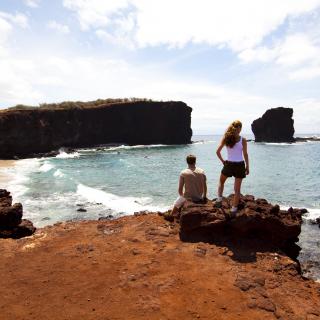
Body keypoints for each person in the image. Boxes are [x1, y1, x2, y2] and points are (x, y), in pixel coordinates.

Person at [215, 120, 249, 216]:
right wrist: (247, 167)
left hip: (229, 164)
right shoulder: (243, 140)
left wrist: (223, 162)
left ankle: (219, 200)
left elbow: (217, 152)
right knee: (237, 190)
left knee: (221, 182)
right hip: (240, 165)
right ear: (240, 128)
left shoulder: (227, 138)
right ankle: (234, 209)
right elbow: (245, 154)